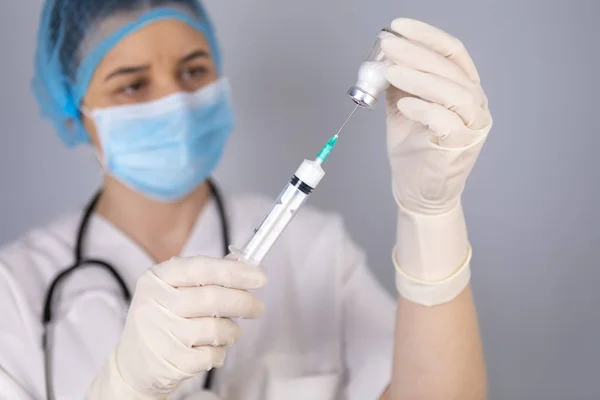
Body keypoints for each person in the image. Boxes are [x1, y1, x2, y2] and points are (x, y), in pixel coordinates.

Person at [0, 0, 492, 399]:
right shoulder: (16, 292)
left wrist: (431, 215)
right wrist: (124, 387)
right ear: (73, 112)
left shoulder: (314, 248)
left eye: (194, 71)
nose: (175, 100)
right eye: (132, 85)